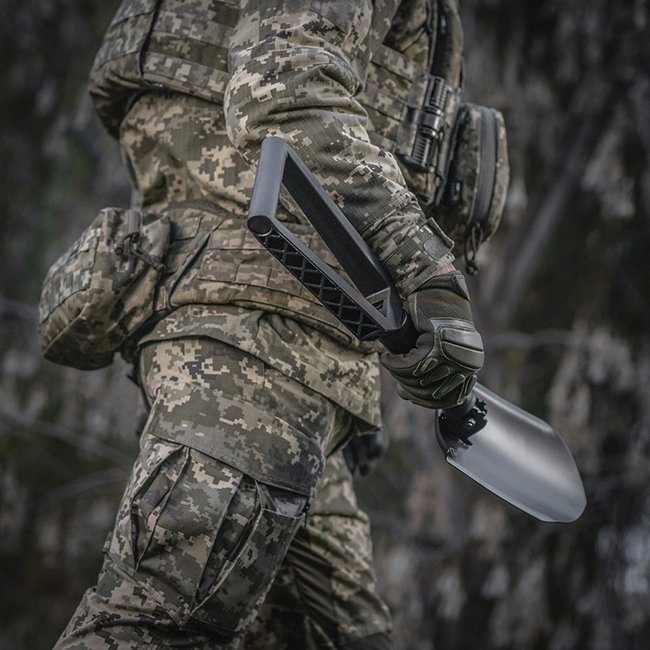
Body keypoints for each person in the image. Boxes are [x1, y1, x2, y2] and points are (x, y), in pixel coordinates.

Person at [53, 1, 484, 648]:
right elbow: (285, 78)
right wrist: (427, 271)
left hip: (289, 350)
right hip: (253, 345)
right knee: (153, 629)